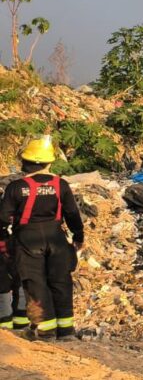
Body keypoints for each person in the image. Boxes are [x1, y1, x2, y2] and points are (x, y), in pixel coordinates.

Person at [0, 135, 85, 341]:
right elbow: (72, 213)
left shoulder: (16, 187)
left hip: (28, 239)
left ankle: (46, 331)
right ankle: (66, 331)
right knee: (61, 281)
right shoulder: (61, 185)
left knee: (35, 283)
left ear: (25, 162)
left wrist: (4, 240)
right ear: (48, 163)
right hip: (56, 238)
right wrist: (78, 236)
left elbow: (3, 218)